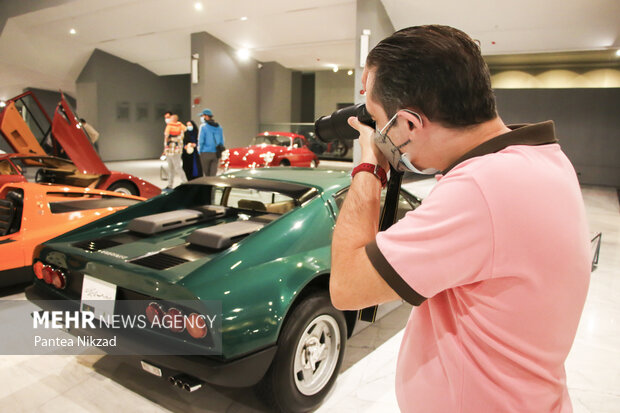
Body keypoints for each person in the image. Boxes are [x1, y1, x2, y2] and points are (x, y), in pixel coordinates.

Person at [330, 25, 590, 413]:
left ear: (410, 124)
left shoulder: (482, 190)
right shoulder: (539, 157)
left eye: (378, 121)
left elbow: (347, 286)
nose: (377, 132)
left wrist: (369, 164)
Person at [197, 108, 224, 176]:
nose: (201, 118)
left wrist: (199, 151)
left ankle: (207, 186)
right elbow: (222, 140)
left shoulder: (203, 127)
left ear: (206, 116)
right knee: (213, 174)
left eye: (202, 116)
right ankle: (212, 186)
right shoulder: (219, 127)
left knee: (206, 173)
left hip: (205, 152)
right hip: (216, 153)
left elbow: (201, 140)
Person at [163, 114, 187, 188]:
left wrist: (171, 138)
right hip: (169, 151)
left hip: (176, 151)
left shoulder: (180, 127)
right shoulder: (168, 126)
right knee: (170, 169)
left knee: (177, 167)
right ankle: (170, 184)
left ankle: (185, 182)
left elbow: (180, 139)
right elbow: (166, 138)